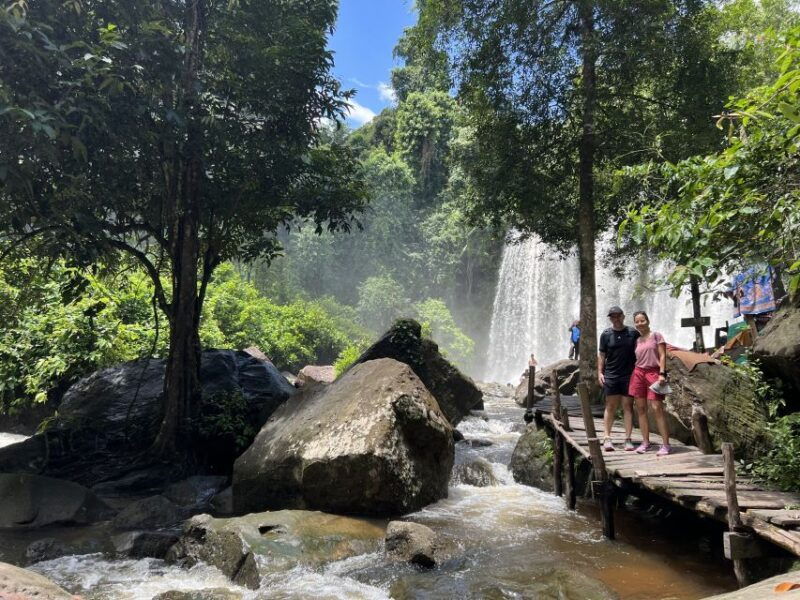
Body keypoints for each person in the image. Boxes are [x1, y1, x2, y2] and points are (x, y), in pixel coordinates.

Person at [628, 311, 671, 456]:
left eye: (642, 320)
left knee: (657, 408)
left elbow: (663, 355)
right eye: (637, 321)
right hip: (638, 373)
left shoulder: (657, 336)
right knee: (640, 409)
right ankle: (645, 442)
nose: (640, 323)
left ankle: (666, 444)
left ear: (648, 321)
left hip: (654, 373)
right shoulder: (637, 340)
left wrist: (662, 373)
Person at [598, 306, 638, 452]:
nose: (616, 319)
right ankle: (607, 437)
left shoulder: (633, 333)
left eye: (618, 316)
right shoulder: (606, 334)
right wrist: (600, 373)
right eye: (613, 316)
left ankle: (628, 439)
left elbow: (640, 351)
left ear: (623, 316)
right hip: (611, 375)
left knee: (628, 406)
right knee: (610, 406)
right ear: (610, 319)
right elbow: (602, 355)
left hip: (629, 375)